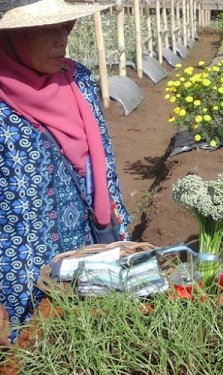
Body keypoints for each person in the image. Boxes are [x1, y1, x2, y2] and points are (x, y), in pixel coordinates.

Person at [0, 0, 131, 344]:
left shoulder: (78, 80)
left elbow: (102, 162)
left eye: (66, 27)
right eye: (47, 30)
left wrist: (116, 226)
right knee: (26, 354)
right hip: (17, 274)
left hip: (85, 252)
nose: (63, 40)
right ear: (15, 35)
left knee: (87, 347)